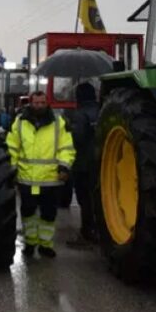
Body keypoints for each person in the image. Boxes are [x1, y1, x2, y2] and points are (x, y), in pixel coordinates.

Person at [6, 91, 75, 258]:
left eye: (42, 102)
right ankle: (30, 244)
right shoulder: (20, 123)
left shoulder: (59, 123)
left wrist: (64, 168)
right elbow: (12, 147)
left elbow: (66, 148)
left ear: (47, 103)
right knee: (28, 213)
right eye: (36, 103)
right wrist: (12, 168)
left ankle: (45, 245)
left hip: (50, 180)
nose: (38, 106)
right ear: (31, 103)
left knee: (48, 214)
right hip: (26, 179)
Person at [66, 82, 100, 248]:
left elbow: (77, 138)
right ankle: (99, 231)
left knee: (84, 199)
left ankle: (87, 232)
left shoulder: (79, 115)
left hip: (83, 164)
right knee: (97, 197)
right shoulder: (102, 109)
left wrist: (68, 129)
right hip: (100, 162)